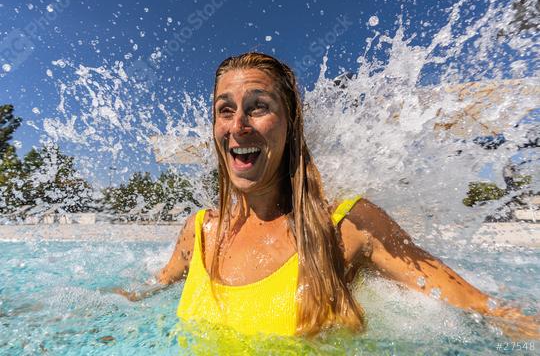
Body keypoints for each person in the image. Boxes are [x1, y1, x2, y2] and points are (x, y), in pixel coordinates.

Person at [116, 52, 539, 339]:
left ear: (291, 124)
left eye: (258, 106)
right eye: (225, 110)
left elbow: (486, 308)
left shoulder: (349, 225)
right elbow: (144, 291)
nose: (238, 124)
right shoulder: (199, 232)